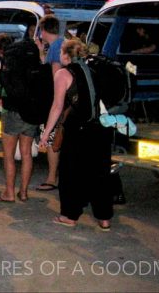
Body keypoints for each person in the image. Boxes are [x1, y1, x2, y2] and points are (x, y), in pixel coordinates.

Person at [40, 39, 114, 231]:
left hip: (78, 130)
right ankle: (104, 218)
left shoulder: (63, 73)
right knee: (100, 174)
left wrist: (46, 133)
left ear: (65, 55)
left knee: (71, 172)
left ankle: (70, 215)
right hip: (101, 128)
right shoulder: (96, 70)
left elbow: (57, 107)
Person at [0, 33, 36, 203]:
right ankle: (23, 193)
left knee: (8, 156)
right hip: (30, 111)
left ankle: (9, 192)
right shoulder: (26, 60)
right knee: (26, 154)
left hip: (11, 111)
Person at [35, 15, 63, 192]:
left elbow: (56, 77)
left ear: (43, 30)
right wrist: (40, 50)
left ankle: (52, 178)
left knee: (53, 139)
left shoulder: (55, 47)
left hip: (59, 101)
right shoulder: (64, 42)